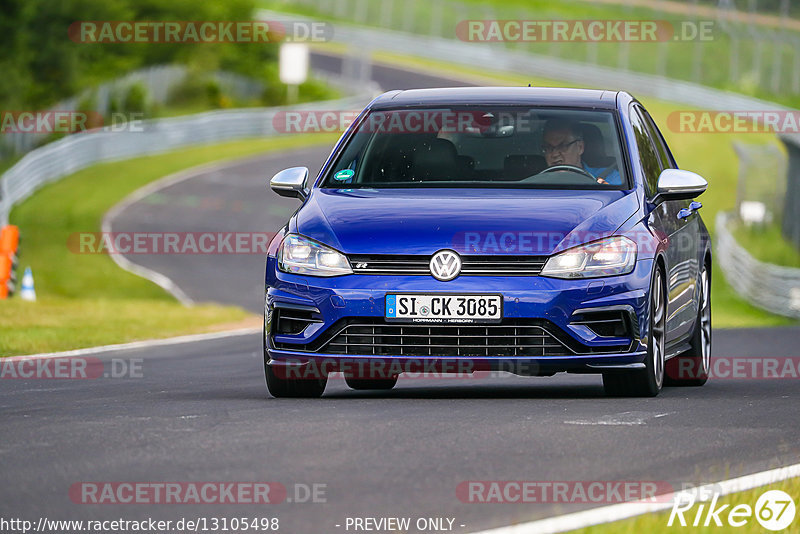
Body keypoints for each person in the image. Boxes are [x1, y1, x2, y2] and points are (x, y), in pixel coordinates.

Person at [541, 119, 620, 185]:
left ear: (580, 147)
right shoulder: (533, 183)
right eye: (548, 147)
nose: (554, 154)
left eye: (563, 146)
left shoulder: (610, 178)